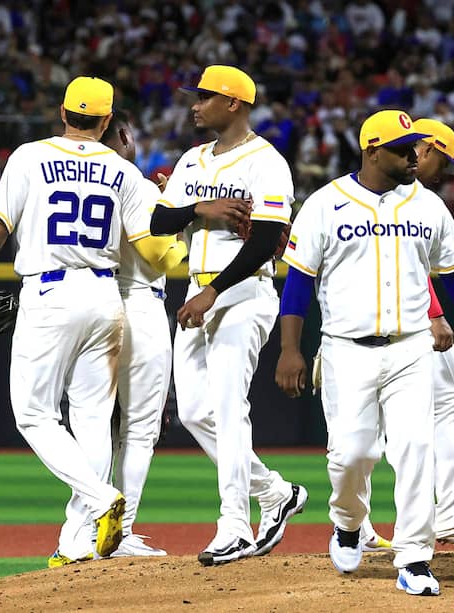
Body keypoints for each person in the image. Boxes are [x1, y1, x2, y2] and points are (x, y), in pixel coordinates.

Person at [0, 76, 186, 568]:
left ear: (63, 112)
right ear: (106, 120)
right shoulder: (123, 172)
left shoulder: (30, 157)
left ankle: (100, 500)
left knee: (33, 414)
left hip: (50, 292)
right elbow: (152, 244)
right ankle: (78, 539)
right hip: (105, 295)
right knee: (93, 421)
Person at [275, 110, 454, 597]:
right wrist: (290, 349)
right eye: (403, 148)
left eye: (414, 147)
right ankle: (347, 521)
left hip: (410, 348)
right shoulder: (325, 203)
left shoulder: (428, 206)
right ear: (373, 150)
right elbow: (298, 280)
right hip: (346, 350)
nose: (412, 156)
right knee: (352, 454)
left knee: (415, 448)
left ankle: (416, 557)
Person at [149, 65, 308, 566]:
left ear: (234, 103)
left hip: (242, 294)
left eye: (204, 97)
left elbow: (264, 241)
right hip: (199, 293)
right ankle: (276, 491)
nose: (194, 105)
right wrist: (202, 208)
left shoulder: (267, 162)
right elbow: (158, 219)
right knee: (196, 411)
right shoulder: (193, 160)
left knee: (228, 402)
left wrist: (213, 292)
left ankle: (234, 524)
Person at [358, 117, 454, 554]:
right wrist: (436, 315)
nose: (445, 173)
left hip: (353, 322)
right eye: (443, 160)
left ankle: (356, 526)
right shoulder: (411, 196)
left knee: (363, 427)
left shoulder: (362, 188)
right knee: (449, 403)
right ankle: (450, 518)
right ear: (426, 149)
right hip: (395, 321)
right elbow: (425, 271)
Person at [83, 109, 186, 557]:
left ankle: (85, 528)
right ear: (123, 134)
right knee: (140, 429)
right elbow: (166, 257)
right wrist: (185, 225)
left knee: (97, 425)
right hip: (139, 304)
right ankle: (118, 533)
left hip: (94, 303)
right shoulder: (137, 184)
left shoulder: (85, 182)